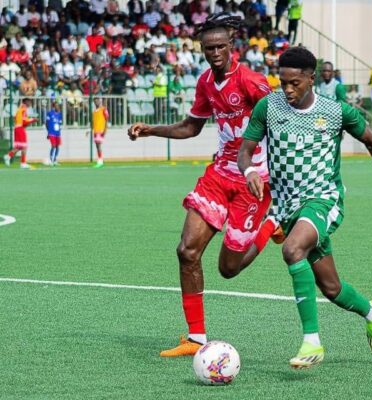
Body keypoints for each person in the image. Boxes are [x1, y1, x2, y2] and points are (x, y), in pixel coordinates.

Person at [238, 46, 372, 369]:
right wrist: (249, 171)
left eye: (295, 83)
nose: (287, 89)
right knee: (331, 288)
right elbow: (245, 150)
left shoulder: (336, 111)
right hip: (288, 205)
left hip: (324, 199)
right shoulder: (268, 107)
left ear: (311, 78)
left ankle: (312, 342)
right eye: (282, 82)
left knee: (292, 251)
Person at [127, 14, 272, 357]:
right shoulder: (206, 82)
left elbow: (280, 121)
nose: (215, 52)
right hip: (220, 174)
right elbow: (191, 128)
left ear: (232, 46)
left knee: (228, 269)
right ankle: (196, 338)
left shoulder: (252, 81)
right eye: (209, 48)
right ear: (202, 50)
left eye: (221, 46)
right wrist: (151, 130)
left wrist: (273, 173)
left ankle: (271, 225)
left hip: (255, 180)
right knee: (186, 251)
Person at [3, 98, 38, 169]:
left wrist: (28, 121)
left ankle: (8, 156)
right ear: (26, 102)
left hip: (18, 128)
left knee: (19, 146)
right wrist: (33, 120)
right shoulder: (23, 109)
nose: (30, 103)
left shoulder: (20, 109)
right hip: (20, 129)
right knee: (24, 146)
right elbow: (25, 121)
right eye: (29, 102)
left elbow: (18, 119)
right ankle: (23, 163)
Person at [91, 98, 109, 168]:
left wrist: (105, 129)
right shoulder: (94, 111)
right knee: (97, 146)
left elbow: (107, 119)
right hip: (95, 131)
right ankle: (100, 160)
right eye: (95, 101)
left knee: (98, 145)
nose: (96, 102)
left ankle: (100, 161)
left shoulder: (103, 109)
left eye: (97, 101)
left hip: (100, 130)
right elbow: (94, 122)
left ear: (100, 101)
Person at [46, 100, 63, 166]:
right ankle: (50, 159)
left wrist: (59, 131)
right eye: (56, 106)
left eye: (58, 106)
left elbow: (60, 124)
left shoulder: (59, 114)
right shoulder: (50, 113)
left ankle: (55, 159)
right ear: (53, 107)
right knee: (53, 146)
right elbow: (47, 123)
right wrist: (48, 132)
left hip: (57, 133)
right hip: (51, 133)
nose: (57, 107)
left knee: (57, 146)